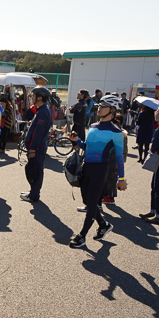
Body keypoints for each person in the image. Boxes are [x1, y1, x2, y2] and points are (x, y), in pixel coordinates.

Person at [68, 95, 126, 248]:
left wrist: (122, 179)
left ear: (112, 110)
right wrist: (76, 141)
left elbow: (120, 158)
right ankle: (104, 225)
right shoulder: (92, 126)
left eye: (104, 105)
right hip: (87, 167)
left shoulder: (116, 132)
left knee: (92, 203)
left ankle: (82, 236)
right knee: (87, 202)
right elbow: (87, 147)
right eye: (99, 104)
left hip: (101, 170)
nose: (99, 107)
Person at [20, 87, 53, 203]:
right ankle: (32, 192)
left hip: (37, 148)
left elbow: (38, 133)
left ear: (39, 98)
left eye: (33, 96)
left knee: (35, 172)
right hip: (38, 147)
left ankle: (34, 195)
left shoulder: (43, 112)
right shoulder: (42, 109)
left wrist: (32, 149)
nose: (31, 97)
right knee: (34, 170)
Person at [140, 105, 159, 224]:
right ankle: (153, 210)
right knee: (154, 186)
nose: (156, 114)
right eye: (156, 112)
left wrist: (158, 151)